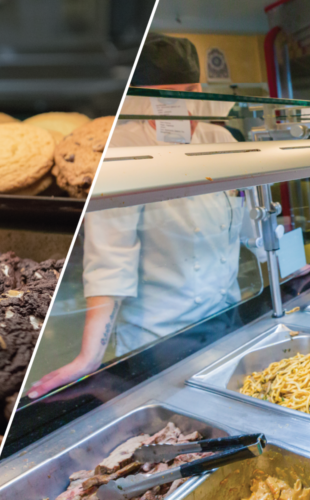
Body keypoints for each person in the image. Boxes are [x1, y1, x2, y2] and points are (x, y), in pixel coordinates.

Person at [26, 34, 256, 399]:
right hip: (158, 341)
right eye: (166, 98)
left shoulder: (221, 141)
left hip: (227, 318)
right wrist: (89, 357)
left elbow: (244, 222)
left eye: (190, 92)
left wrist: (283, 264)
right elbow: (110, 258)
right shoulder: (122, 149)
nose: (182, 106)